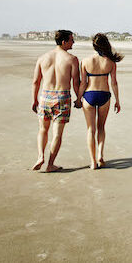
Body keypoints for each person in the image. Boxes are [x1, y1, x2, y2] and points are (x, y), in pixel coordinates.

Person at [31, 29, 81, 172]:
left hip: (45, 96)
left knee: (42, 130)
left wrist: (34, 99)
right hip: (62, 97)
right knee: (57, 134)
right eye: (72, 40)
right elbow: (75, 83)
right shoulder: (72, 59)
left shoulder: (42, 58)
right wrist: (79, 99)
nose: (73, 42)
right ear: (64, 42)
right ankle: (50, 164)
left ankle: (40, 156)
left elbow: (36, 81)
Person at [78, 33, 123, 169]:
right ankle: (100, 156)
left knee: (90, 129)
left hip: (89, 95)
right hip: (105, 95)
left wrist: (79, 98)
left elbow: (82, 83)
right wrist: (117, 100)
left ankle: (92, 162)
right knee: (101, 127)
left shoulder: (85, 61)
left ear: (94, 46)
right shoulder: (110, 62)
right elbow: (114, 82)